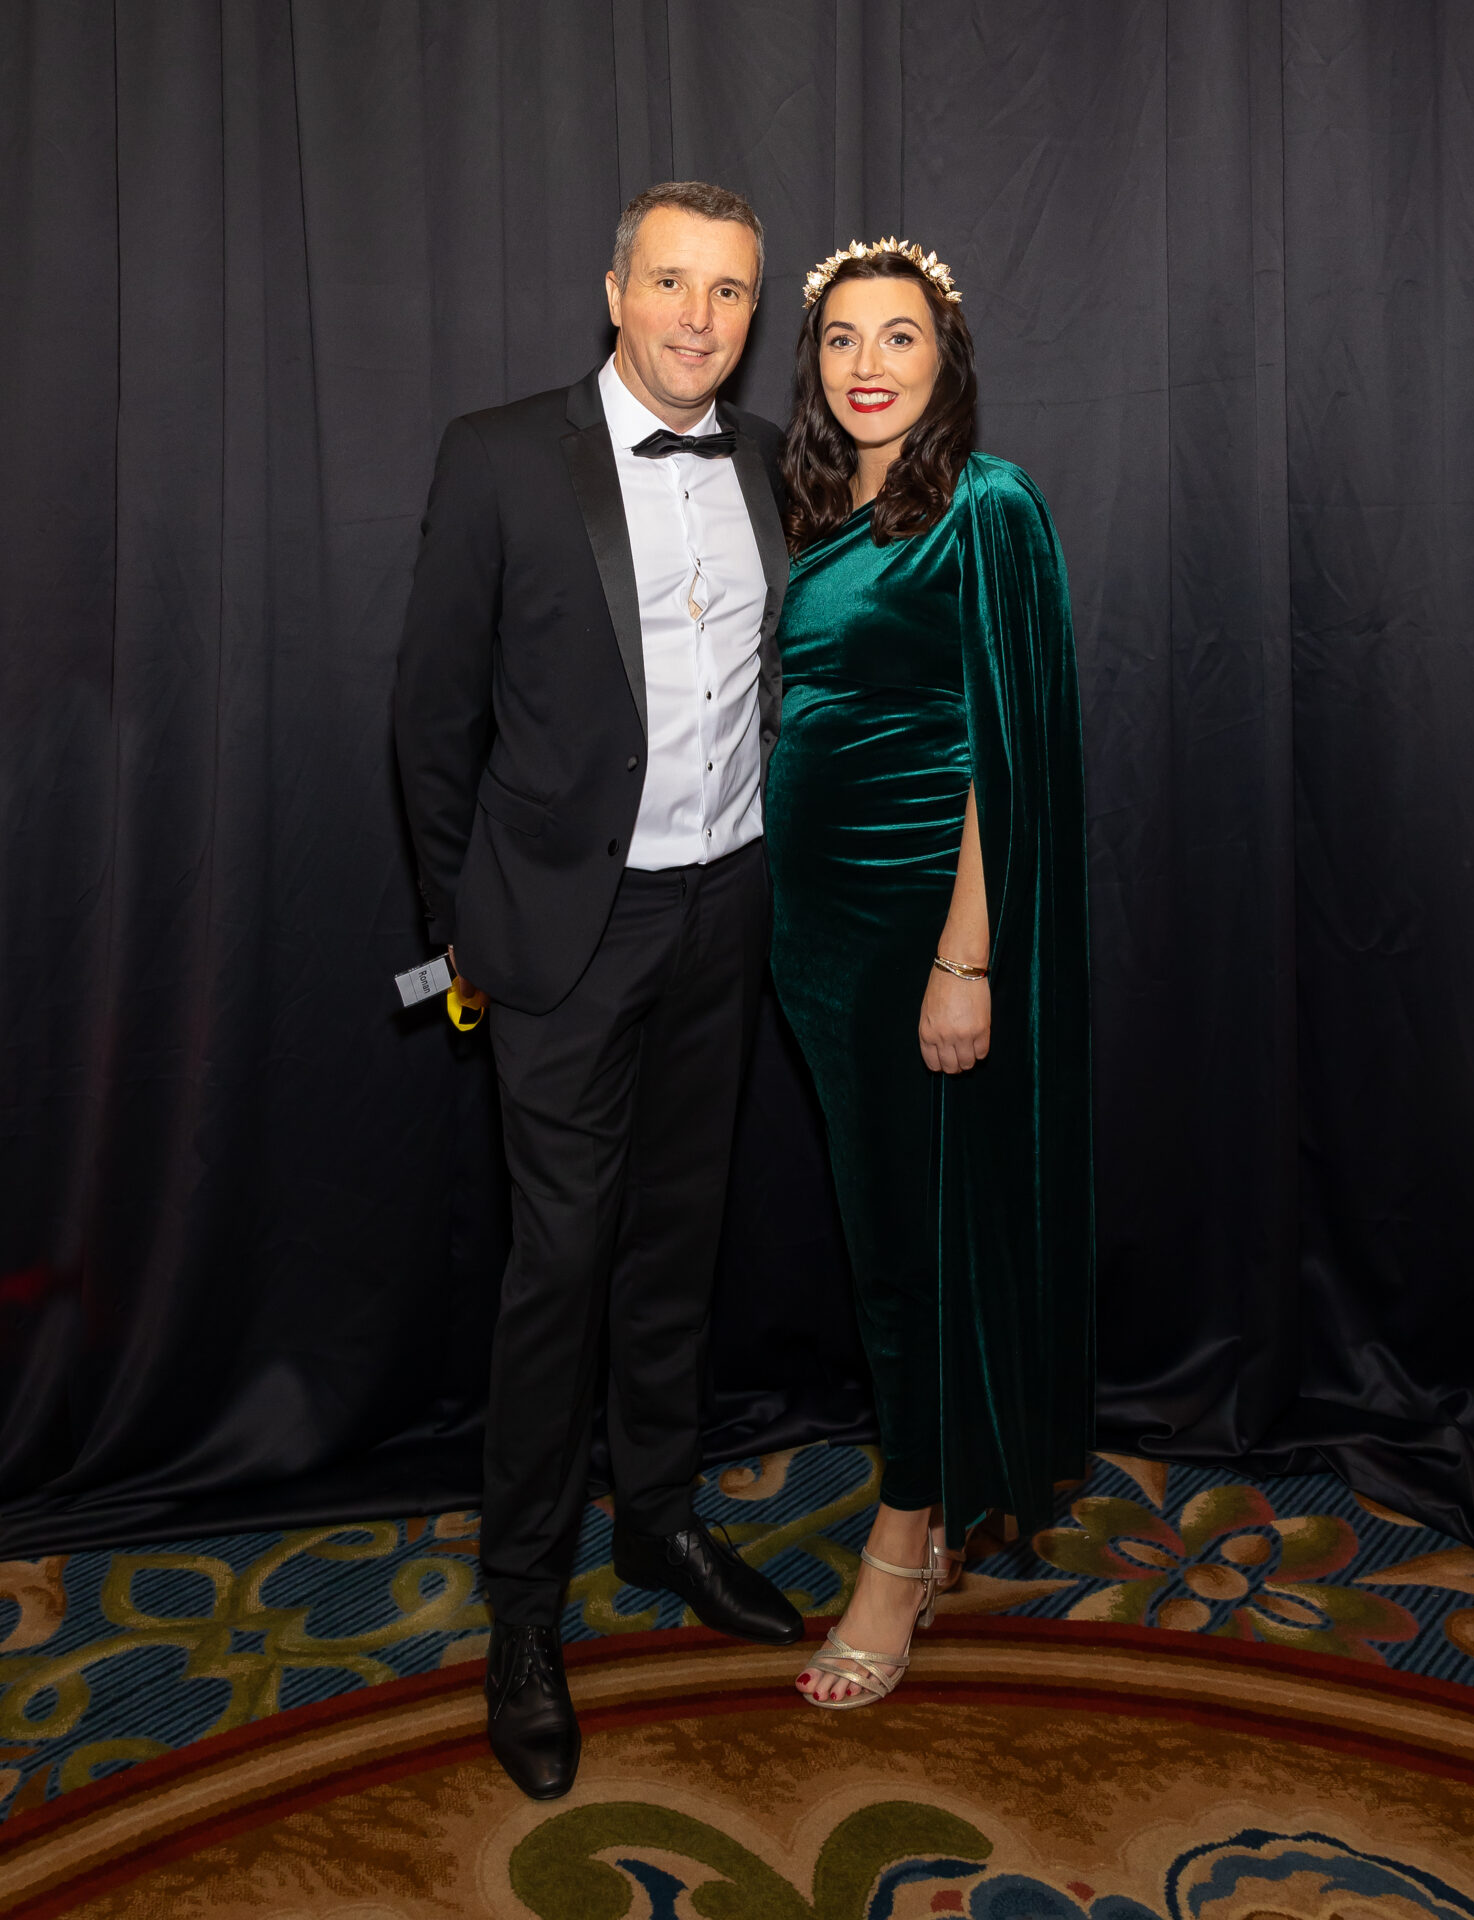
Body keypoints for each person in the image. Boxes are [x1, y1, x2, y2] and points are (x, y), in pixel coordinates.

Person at [394, 181, 802, 1801]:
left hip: (728, 909)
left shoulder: (772, 462)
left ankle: (662, 1521)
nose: (701, 317)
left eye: (731, 291)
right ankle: (523, 1608)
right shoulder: (501, 456)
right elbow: (432, 725)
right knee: (558, 1268)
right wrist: (465, 932)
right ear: (614, 291)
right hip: (565, 936)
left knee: (678, 1244)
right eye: (673, 282)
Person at [764, 239, 1094, 1707]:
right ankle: (941, 1488)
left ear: (943, 359)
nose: (869, 365)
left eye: (899, 337)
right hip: (814, 932)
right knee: (888, 1229)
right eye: (843, 339)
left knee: (909, 1250)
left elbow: (1006, 753)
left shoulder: (988, 505)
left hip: (921, 928)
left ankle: (903, 1542)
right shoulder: (818, 504)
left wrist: (967, 958)